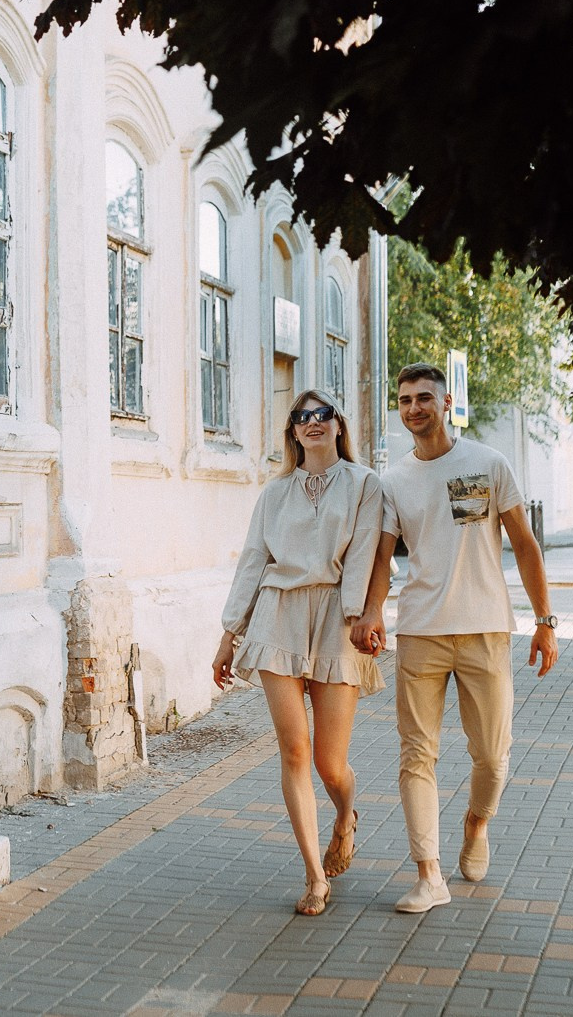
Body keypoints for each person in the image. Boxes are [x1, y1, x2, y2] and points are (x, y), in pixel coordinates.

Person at [352, 364, 558, 914]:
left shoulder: (487, 464)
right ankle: (428, 873)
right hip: (419, 632)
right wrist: (372, 612)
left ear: (446, 404)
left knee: (491, 756)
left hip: (486, 629)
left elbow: (525, 545)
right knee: (417, 755)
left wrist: (545, 620)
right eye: (404, 400)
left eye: (424, 398)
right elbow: (381, 556)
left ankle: (476, 822)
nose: (414, 407)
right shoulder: (392, 481)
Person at [213, 389, 386, 917]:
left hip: (339, 616)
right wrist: (229, 633)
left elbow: (364, 553)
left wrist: (359, 619)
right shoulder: (274, 494)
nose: (312, 423)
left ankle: (345, 817)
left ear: (338, 425)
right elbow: (252, 560)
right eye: (301, 417)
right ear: (293, 431)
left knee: (330, 764)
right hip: (277, 616)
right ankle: (314, 875)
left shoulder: (364, 485)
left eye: (322, 415)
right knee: (294, 753)